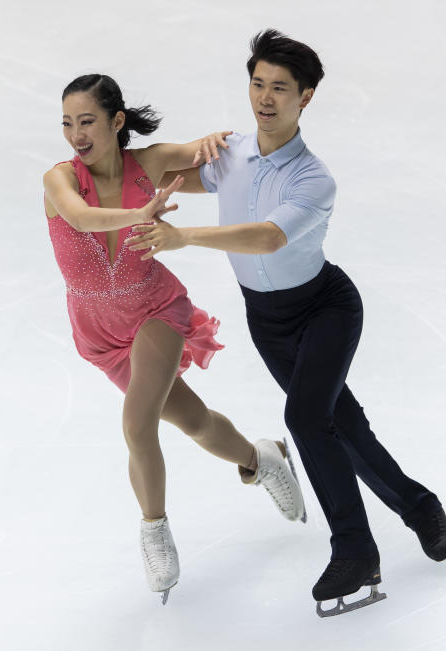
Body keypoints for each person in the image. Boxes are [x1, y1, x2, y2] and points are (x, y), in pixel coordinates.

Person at [125, 30, 446, 617]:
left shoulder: (314, 179)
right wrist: (132, 155)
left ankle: (354, 550)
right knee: (343, 429)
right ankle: (418, 503)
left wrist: (185, 237)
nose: (266, 98)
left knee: (306, 418)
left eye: (281, 87)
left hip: (325, 308)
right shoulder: (228, 155)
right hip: (267, 321)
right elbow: (157, 172)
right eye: (258, 84)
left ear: (306, 97)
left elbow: (268, 236)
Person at [42, 74, 305, 605]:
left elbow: (218, 154)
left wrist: (211, 142)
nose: (76, 134)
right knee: (196, 422)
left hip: (154, 308)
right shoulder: (59, 179)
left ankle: (154, 529)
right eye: (68, 122)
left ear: (117, 123)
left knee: (137, 423)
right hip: (99, 332)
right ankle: (263, 458)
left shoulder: (152, 163)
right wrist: (137, 214)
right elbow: (79, 215)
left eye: (87, 120)